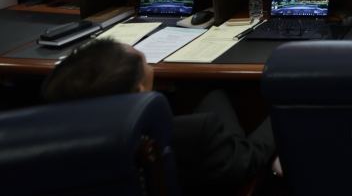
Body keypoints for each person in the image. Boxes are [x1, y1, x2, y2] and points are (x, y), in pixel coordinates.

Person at [41, 39, 275, 196]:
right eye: (146, 63)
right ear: (139, 92)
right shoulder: (193, 135)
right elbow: (248, 160)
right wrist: (281, 113)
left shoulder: (46, 142)